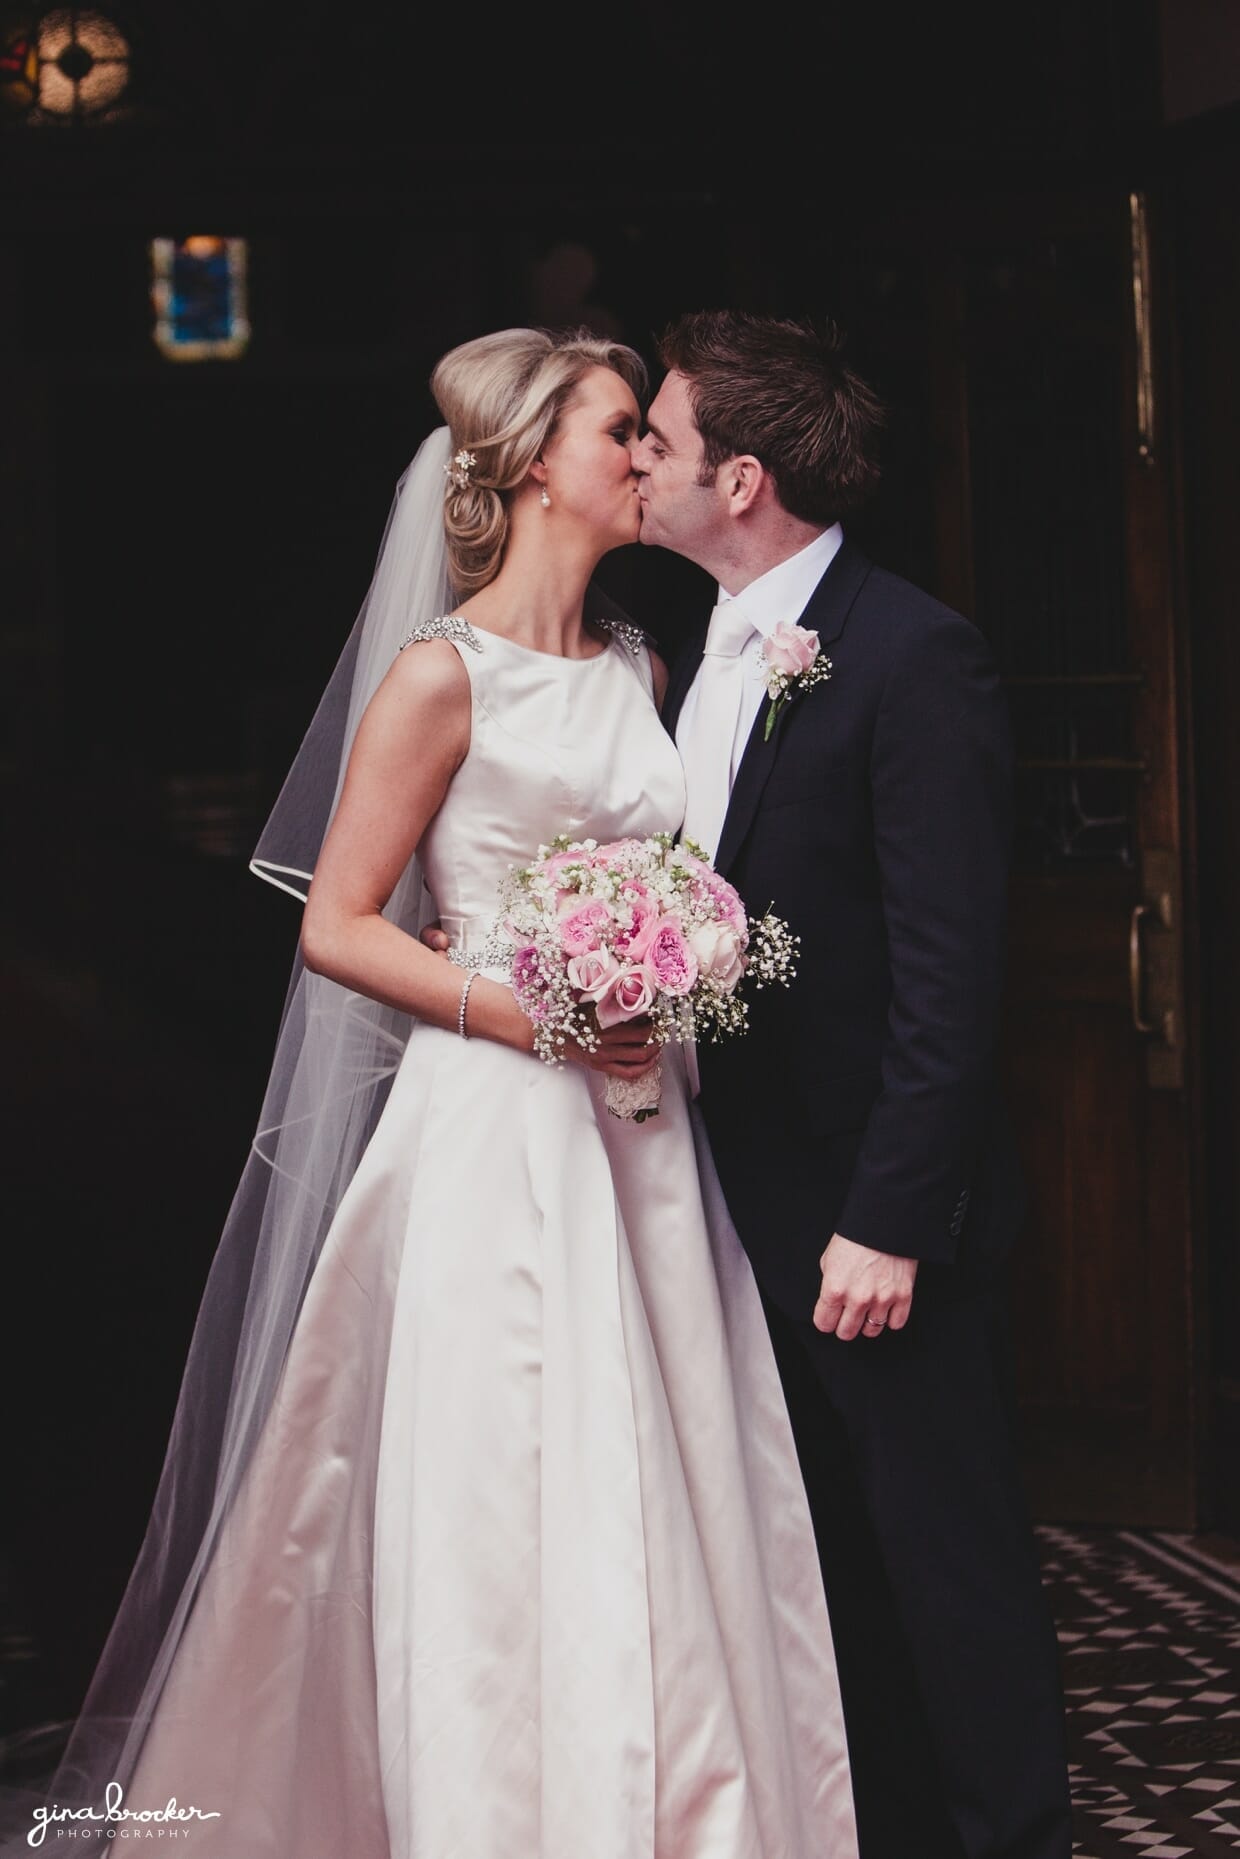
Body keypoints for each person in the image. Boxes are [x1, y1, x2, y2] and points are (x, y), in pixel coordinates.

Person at [2, 328, 858, 1859]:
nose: (645, 460)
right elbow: (337, 926)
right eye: (622, 432)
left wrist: (669, 965)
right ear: (539, 465)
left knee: (666, 1481)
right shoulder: (437, 675)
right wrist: (524, 1011)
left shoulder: (637, 663)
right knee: (505, 1489)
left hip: (645, 1139)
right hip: (496, 1134)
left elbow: (657, 869)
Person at [630, 310, 1073, 1859]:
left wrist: (890, 1217)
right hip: (735, 1188)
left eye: (660, 441)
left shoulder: (909, 652)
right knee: (823, 1569)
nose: (638, 460)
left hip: (871, 1217)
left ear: (739, 478)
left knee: (943, 1561)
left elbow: (952, 974)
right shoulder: (702, 657)